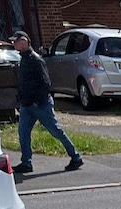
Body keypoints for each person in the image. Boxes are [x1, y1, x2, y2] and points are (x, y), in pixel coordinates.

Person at [11, 31, 82, 174]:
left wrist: (37, 101)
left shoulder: (36, 60)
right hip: (27, 105)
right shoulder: (23, 59)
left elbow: (45, 84)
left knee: (56, 131)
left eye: (16, 41)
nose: (14, 44)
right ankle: (26, 163)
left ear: (25, 41)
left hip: (40, 104)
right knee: (23, 133)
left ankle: (76, 157)